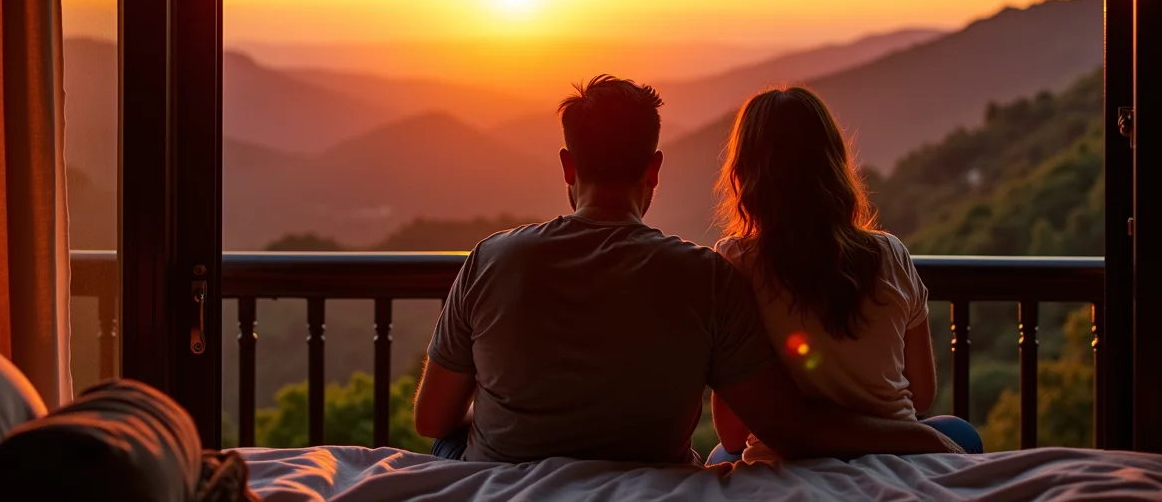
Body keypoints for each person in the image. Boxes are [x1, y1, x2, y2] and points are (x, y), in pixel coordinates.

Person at [412, 75, 964, 464]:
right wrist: (920, 439)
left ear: (567, 165)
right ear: (653, 169)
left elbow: (432, 421)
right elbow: (792, 424)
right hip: (655, 472)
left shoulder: (491, 258)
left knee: (450, 443)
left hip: (502, 472)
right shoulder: (705, 276)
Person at [707, 86, 984, 465]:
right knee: (959, 432)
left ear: (744, 174)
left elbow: (733, 435)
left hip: (786, 457)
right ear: (836, 164)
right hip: (896, 450)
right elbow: (921, 395)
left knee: (721, 454)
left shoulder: (735, 264)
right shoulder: (891, 254)